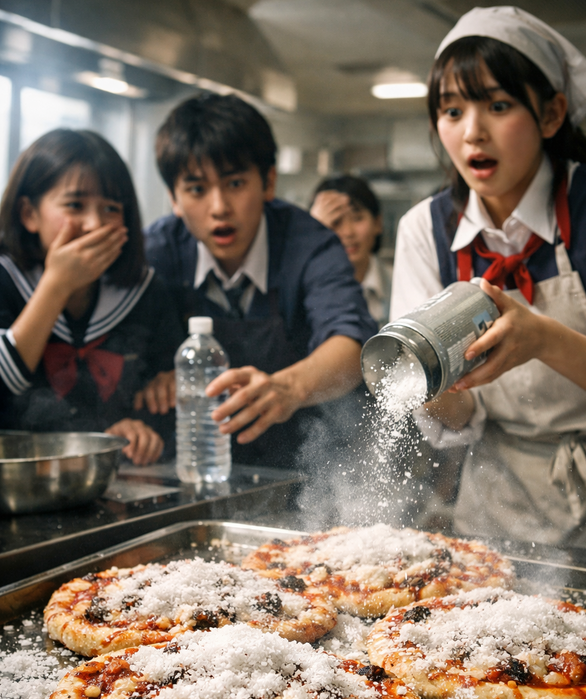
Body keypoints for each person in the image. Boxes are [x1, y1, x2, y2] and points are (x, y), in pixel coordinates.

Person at [390, 6, 586, 553]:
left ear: (552, 115)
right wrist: (427, 387)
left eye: (498, 106)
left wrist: (540, 338)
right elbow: (459, 415)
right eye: (451, 111)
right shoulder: (426, 231)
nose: (472, 132)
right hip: (495, 508)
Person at [142, 93, 377, 469]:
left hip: (306, 466)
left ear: (268, 182)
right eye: (197, 189)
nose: (219, 207)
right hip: (195, 464)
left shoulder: (310, 246)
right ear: (173, 197)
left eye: (235, 183)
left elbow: (351, 346)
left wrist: (287, 388)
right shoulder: (156, 254)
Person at [0, 129, 182, 465]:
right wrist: (56, 284)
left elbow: (165, 396)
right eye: (75, 205)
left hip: (111, 483)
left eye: (111, 208)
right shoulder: (6, 279)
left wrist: (140, 430)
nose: (95, 224)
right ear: (29, 214)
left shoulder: (146, 292)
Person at [311, 175, 391, 326]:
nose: (348, 232)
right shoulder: (305, 290)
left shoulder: (400, 280)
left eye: (357, 218)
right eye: (336, 222)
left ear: (378, 223)